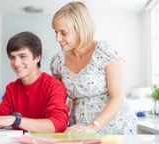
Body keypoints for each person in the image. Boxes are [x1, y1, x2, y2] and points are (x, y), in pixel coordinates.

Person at [50, 1, 137, 134]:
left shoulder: (104, 51)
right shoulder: (58, 61)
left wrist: (94, 126)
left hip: (114, 128)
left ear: (80, 29)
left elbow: (117, 97)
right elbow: (59, 100)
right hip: (80, 130)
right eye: (56, 32)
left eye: (63, 33)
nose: (57, 38)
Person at [0, 31, 69, 133]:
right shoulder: (12, 88)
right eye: (12, 57)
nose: (16, 63)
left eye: (22, 56)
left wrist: (16, 120)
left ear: (37, 57)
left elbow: (57, 125)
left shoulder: (54, 86)